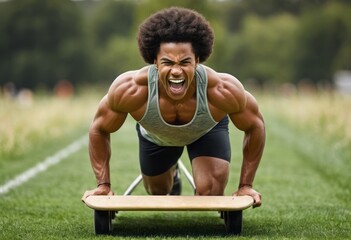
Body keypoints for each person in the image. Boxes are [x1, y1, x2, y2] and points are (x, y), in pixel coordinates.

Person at [82, 7, 265, 208]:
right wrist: (103, 184)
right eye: (168, 62)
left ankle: (193, 175)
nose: (176, 71)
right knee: (158, 193)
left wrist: (246, 185)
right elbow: (99, 128)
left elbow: (255, 125)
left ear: (197, 60)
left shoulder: (222, 89)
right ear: (155, 62)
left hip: (206, 131)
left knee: (211, 194)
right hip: (156, 135)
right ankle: (173, 175)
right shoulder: (131, 89)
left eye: (185, 62)